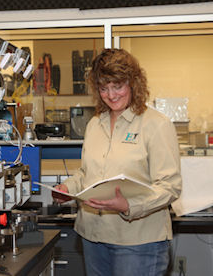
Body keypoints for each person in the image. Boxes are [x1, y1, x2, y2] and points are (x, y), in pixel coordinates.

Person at [53, 48, 182, 276]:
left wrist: (129, 206)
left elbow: (169, 186)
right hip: (92, 237)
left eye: (117, 86)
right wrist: (67, 188)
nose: (111, 95)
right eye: (103, 88)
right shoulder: (95, 124)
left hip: (138, 242)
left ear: (134, 83)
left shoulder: (156, 124)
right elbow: (87, 173)